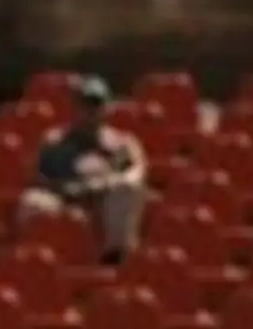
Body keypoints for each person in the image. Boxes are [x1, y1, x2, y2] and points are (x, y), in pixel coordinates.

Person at [18, 77, 152, 264]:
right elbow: (37, 175)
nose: (90, 112)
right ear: (75, 107)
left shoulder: (123, 143)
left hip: (105, 200)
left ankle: (115, 258)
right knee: (33, 201)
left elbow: (137, 172)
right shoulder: (54, 141)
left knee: (127, 190)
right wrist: (63, 188)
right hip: (64, 198)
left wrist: (107, 184)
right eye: (85, 105)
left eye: (96, 105)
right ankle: (37, 258)